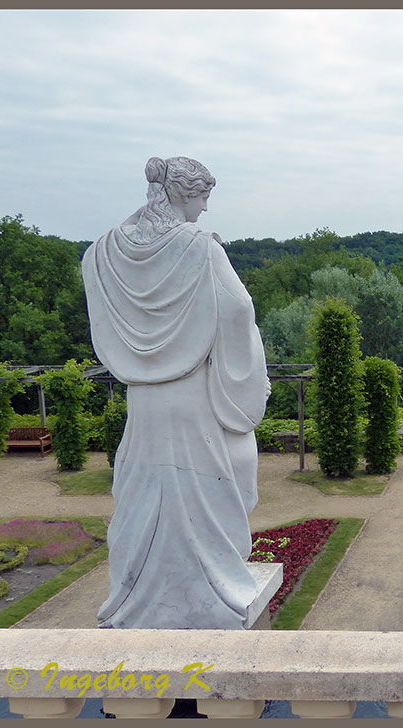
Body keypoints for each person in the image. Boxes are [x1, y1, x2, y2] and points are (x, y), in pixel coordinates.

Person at [82, 156, 271, 628]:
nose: (206, 210)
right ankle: (211, 592)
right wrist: (242, 378)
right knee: (207, 490)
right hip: (193, 396)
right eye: (203, 197)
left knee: (144, 494)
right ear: (183, 193)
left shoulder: (103, 251)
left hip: (142, 401)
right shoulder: (199, 248)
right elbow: (238, 309)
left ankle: (139, 594)